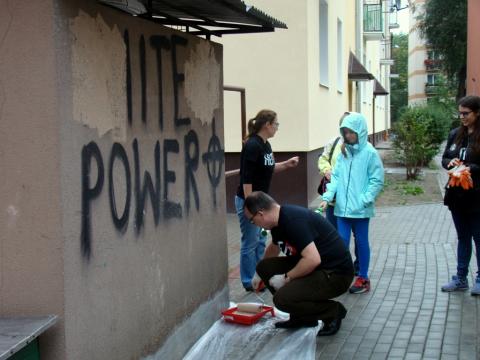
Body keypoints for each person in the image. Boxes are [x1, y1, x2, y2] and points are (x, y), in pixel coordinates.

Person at [245, 191, 353, 336]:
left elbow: (313, 259)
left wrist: (285, 278)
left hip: (336, 274)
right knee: (264, 267)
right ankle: (302, 317)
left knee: (282, 299)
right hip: (317, 267)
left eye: (252, 220)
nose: (253, 224)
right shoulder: (278, 221)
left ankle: (332, 313)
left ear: (261, 214)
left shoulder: (293, 221)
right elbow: (274, 247)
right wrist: (258, 274)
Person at [319, 112, 384, 294]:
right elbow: (336, 178)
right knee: (341, 243)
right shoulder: (343, 153)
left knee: (362, 242)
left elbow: (377, 180)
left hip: (360, 211)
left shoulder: (370, 153)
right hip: (341, 210)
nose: (347, 136)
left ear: (360, 131)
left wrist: (364, 200)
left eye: (350, 132)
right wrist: (327, 198)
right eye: (345, 132)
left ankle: (363, 278)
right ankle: (341, 276)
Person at [236, 109, 299, 291]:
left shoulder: (266, 145)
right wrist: (250, 207)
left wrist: (286, 165)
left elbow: (268, 168)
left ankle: (260, 275)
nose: (277, 128)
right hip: (249, 202)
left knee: (261, 240)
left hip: (261, 202)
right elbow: (246, 179)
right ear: (267, 125)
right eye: (276, 124)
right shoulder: (252, 145)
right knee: (250, 241)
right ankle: (248, 281)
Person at [441, 95, 480, 296]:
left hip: (476, 197)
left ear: (477, 113)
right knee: (463, 237)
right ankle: (460, 278)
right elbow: (444, 158)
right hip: (457, 197)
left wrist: (468, 168)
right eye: (460, 113)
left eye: (466, 113)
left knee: (478, 238)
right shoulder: (455, 134)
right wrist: (451, 163)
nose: (462, 117)